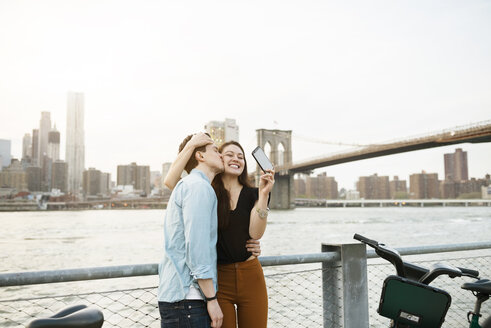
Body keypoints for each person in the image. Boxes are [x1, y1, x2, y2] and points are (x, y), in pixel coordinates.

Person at [164, 133, 275, 328]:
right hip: (219, 279)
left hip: (251, 275)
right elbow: (171, 182)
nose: (236, 159)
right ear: (219, 158)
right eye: (229, 154)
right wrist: (191, 146)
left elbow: (255, 234)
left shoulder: (254, 193)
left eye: (240, 157)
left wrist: (264, 195)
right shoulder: (205, 189)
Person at [157, 134, 224, 328]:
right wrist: (211, 299)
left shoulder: (188, 185)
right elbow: (197, 249)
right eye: (215, 150)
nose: (220, 156)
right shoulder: (199, 188)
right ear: (200, 156)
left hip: (180, 300)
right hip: (189, 301)